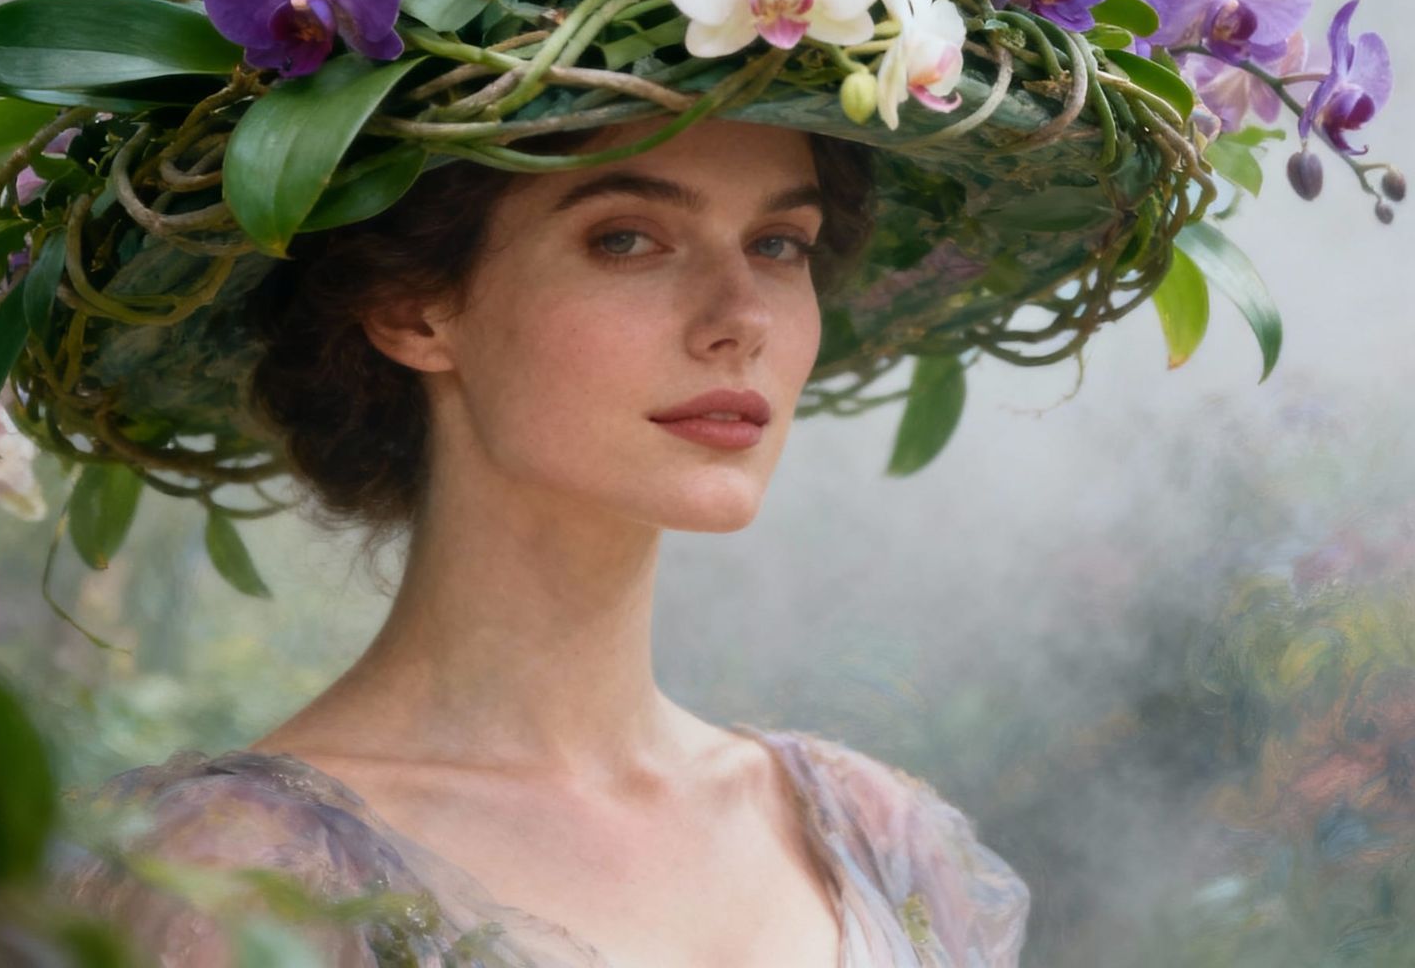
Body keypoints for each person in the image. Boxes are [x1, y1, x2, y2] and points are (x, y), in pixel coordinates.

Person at [57, 116, 1031, 966]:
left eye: (779, 243)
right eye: (627, 238)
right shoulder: (240, 872)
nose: (740, 321)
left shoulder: (876, 838)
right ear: (410, 305)